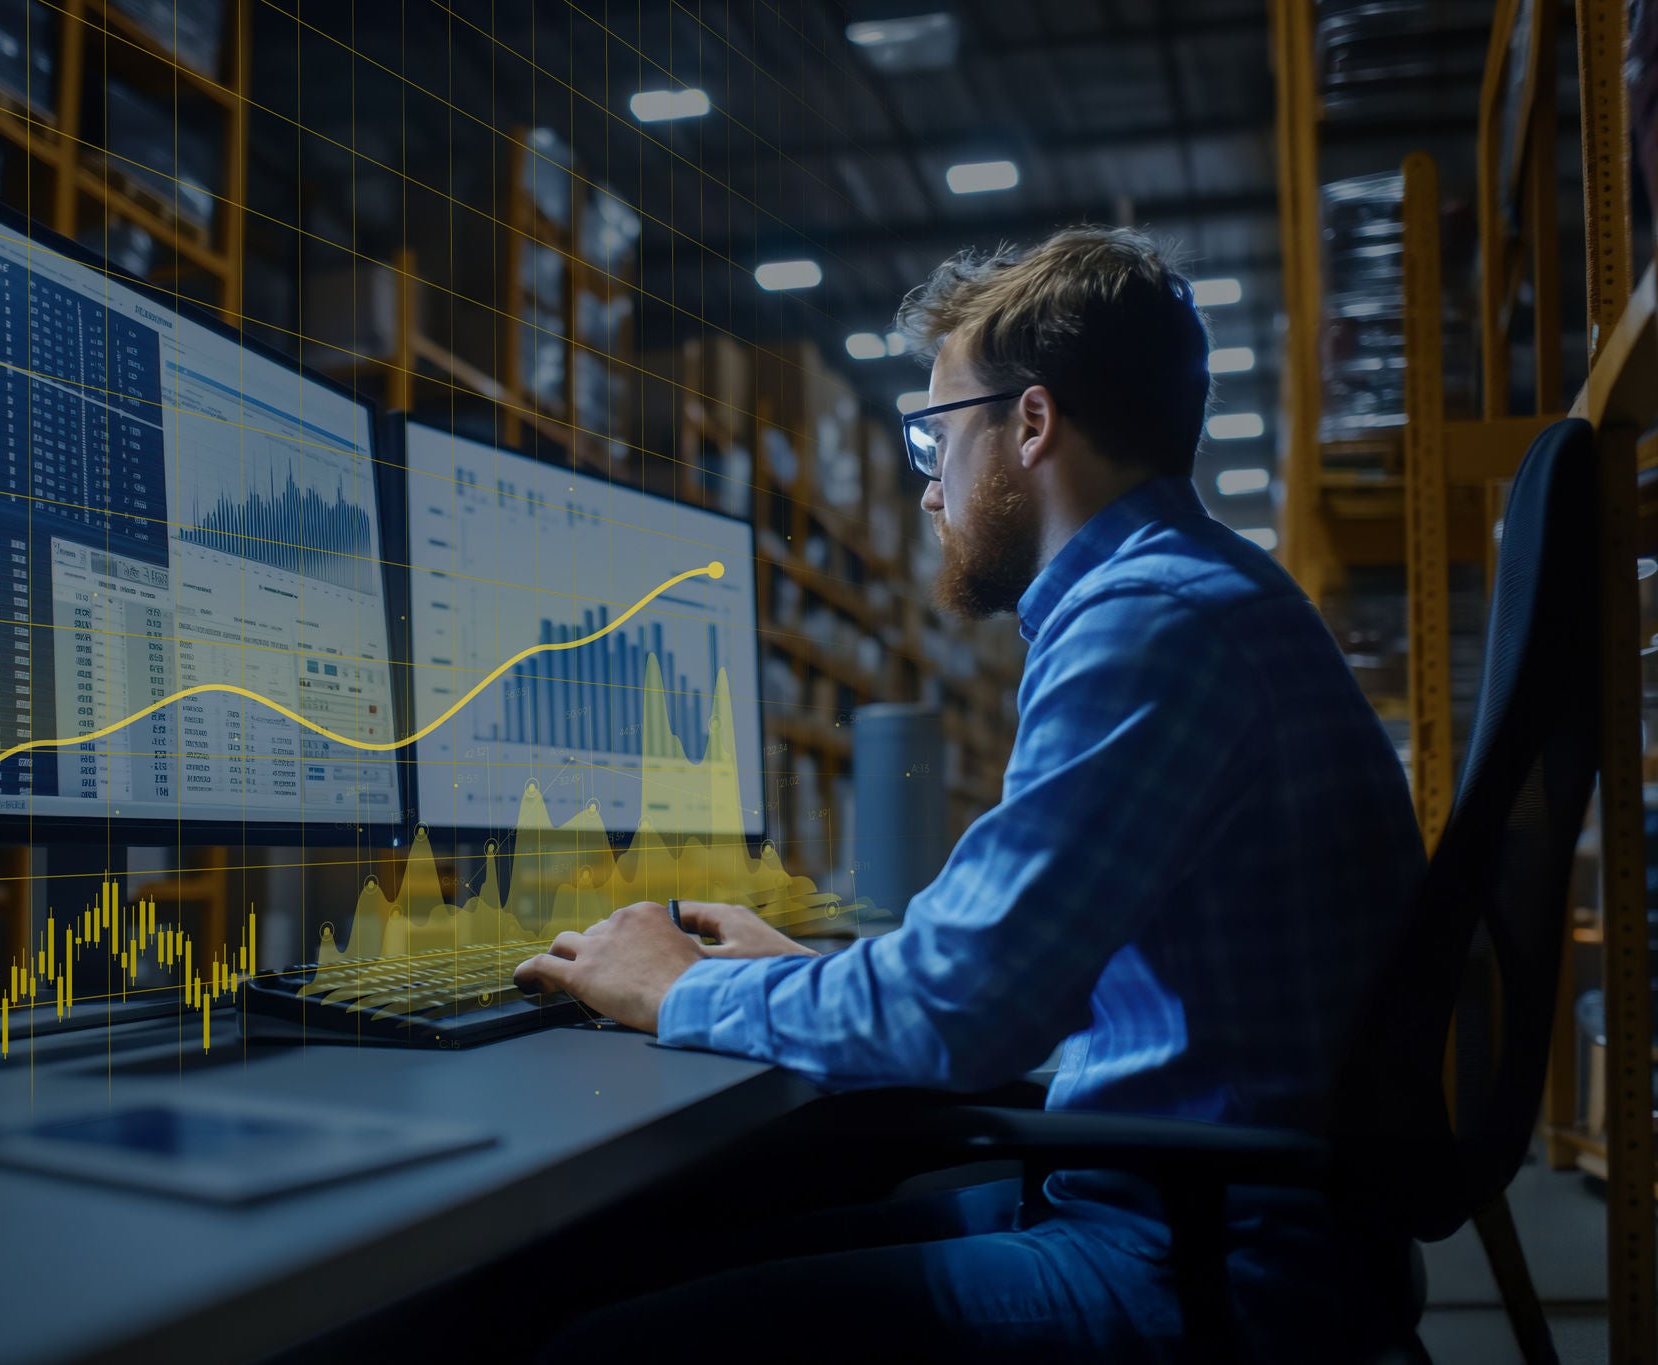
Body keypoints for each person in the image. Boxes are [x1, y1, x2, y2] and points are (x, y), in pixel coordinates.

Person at [513, 226, 1429, 1361]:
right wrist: (801, 979)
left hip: (1205, 1265)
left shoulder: (1152, 624)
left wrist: (679, 992)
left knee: (600, 1345)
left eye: (932, 435)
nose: (928, 484)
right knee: (667, 1253)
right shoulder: (1190, 597)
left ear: (1030, 424)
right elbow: (1005, 978)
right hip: (1175, 1203)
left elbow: (963, 1015)